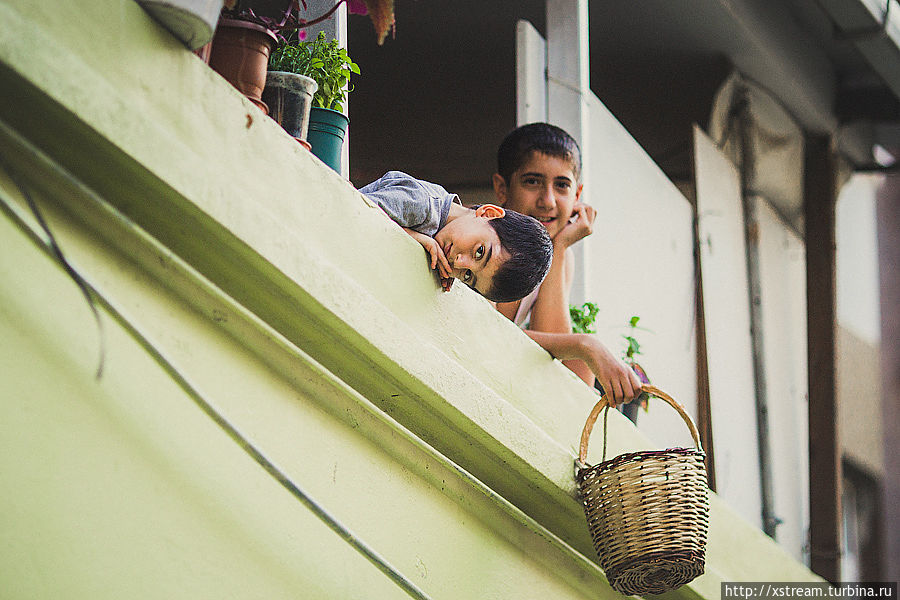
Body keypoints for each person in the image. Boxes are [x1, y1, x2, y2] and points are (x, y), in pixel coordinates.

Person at [491, 123, 642, 405]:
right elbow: (483, 331)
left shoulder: (555, 253)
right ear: (502, 188)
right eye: (532, 182)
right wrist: (584, 344)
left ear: (577, 195)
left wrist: (558, 249)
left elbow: (562, 367)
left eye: (561, 185)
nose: (547, 201)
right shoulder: (483, 236)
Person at [360, 170, 553, 303]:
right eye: (479, 252)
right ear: (488, 213)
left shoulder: (441, 229)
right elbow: (355, 211)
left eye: (468, 276)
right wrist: (412, 238)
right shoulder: (422, 204)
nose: (459, 263)